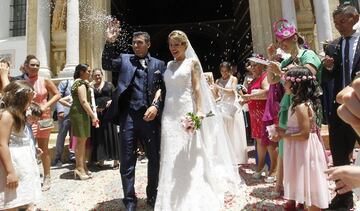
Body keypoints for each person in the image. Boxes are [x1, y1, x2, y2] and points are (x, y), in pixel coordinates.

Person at [155, 30, 244, 210]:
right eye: (171, 45)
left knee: (190, 151)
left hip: (185, 111)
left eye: (177, 44)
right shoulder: (169, 64)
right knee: (169, 153)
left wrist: (200, 111)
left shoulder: (192, 63)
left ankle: (194, 195)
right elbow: (164, 89)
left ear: (185, 45)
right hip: (169, 115)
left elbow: (197, 89)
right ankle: (169, 197)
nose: (173, 48)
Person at [102, 19, 166, 210]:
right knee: (127, 160)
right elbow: (106, 63)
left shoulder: (159, 64)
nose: (135, 46)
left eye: (139, 42)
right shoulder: (124, 59)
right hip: (128, 117)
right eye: (133, 42)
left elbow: (164, 89)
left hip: (150, 117)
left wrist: (156, 106)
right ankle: (129, 200)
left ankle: (152, 195)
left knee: (154, 158)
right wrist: (109, 42)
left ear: (148, 44)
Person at [267, 18, 321, 199]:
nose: (282, 43)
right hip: (287, 105)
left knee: (305, 146)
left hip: (305, 104)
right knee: (285, 146)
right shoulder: (286, 60)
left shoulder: (309, 55)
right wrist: (271, 62)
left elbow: (307, 75)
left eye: (285, 39)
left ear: (295, 36)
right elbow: (272, 80)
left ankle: (307, 187)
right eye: (280, 40)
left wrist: (281, 71)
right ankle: (284, 185)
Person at [321, 3, 360, 209]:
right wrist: (327, 68)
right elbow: (327, 78)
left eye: (342, 22)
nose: (339, 27)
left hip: (359, 106)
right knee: (338, 153)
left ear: (355, 18)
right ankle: (343, 197)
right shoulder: (332, 46)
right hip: (338, 110)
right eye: (335, 23)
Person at [278, 67, 330, 210]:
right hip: (299, 148)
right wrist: (282, 130)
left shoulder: (301, 106)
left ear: (296, 85)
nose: (284, 85)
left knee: (309, 184)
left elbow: (304, 134)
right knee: (304, 183)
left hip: (304, 149)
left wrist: (284, 135)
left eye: (287, 82)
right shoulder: (297, 104)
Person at [20, 55, 61, 191]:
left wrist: (46, 105)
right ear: (26, 66)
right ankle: (31, 176)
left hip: (44, 117)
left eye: (37, 65)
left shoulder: (44, 80)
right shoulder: (22, 81)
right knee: (28, 147)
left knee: (44, 148)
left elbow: (57, 94)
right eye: (32, 65)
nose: (36, 67)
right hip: (27, 119)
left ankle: (47, 176)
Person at [0, 81, 41, 211]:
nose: (29, 105)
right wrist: (10, 172)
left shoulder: (19, 115)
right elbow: (2, 144)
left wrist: (32, 149)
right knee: (10, 201)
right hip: (13, 163)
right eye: (27, 102)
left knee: (21, 197)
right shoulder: (7, 116)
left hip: (23, 163)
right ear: (18, 100)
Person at [242, 54, 271, 179]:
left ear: (262, 66)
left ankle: (270, 169)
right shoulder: (253, 80)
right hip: (255, 114)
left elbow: (267, 93)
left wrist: (250, 97)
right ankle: (261, 166)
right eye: (251, 66)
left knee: (267, 142)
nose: (252, 68)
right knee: (260, 141)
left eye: (255, 65)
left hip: (263, 113)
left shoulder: (264, 77)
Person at [215, 61, 247, 164]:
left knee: (233, 132)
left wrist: (218, 87)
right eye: (222, 71)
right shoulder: (217, 80)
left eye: (226, 71)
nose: (224, 73)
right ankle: (225, 155)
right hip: (222, 107)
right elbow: (217, 95)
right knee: (224, 131)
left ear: (229, 71)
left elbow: (232, 91)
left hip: (232, 107)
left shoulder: (233, 79)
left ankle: (235, 156)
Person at [69, 64, 98, 180]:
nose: (90, 73)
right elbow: (84, 101)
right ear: (81, 72)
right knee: (81, 141)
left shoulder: (79, 82)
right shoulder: (80, 83)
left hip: (80, 113)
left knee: (82, 141)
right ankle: (79, 168)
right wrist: (93, 116)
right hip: (80, 113)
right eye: (88, 71)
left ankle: (83, 166)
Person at [90, 68, 120, 168]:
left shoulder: (109, 85)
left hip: (109, 113)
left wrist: (110, 102)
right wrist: (94, 108)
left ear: (102, 75)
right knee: (99, 137)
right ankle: (101, 159)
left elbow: (116, 96)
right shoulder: (91, 87)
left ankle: (116, 160)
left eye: (99, 75)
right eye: (95, 75)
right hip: (97, 114)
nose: (97, 77)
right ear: (92, 76)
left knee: (111, 135)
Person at [52, 78, 74, 167]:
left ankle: (72, 156)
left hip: (76, 115)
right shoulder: (65, 82)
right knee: (61, 136)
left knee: (74, 136)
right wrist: (60, 110)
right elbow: (58, 96)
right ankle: (57, 158)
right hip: (65, 113)